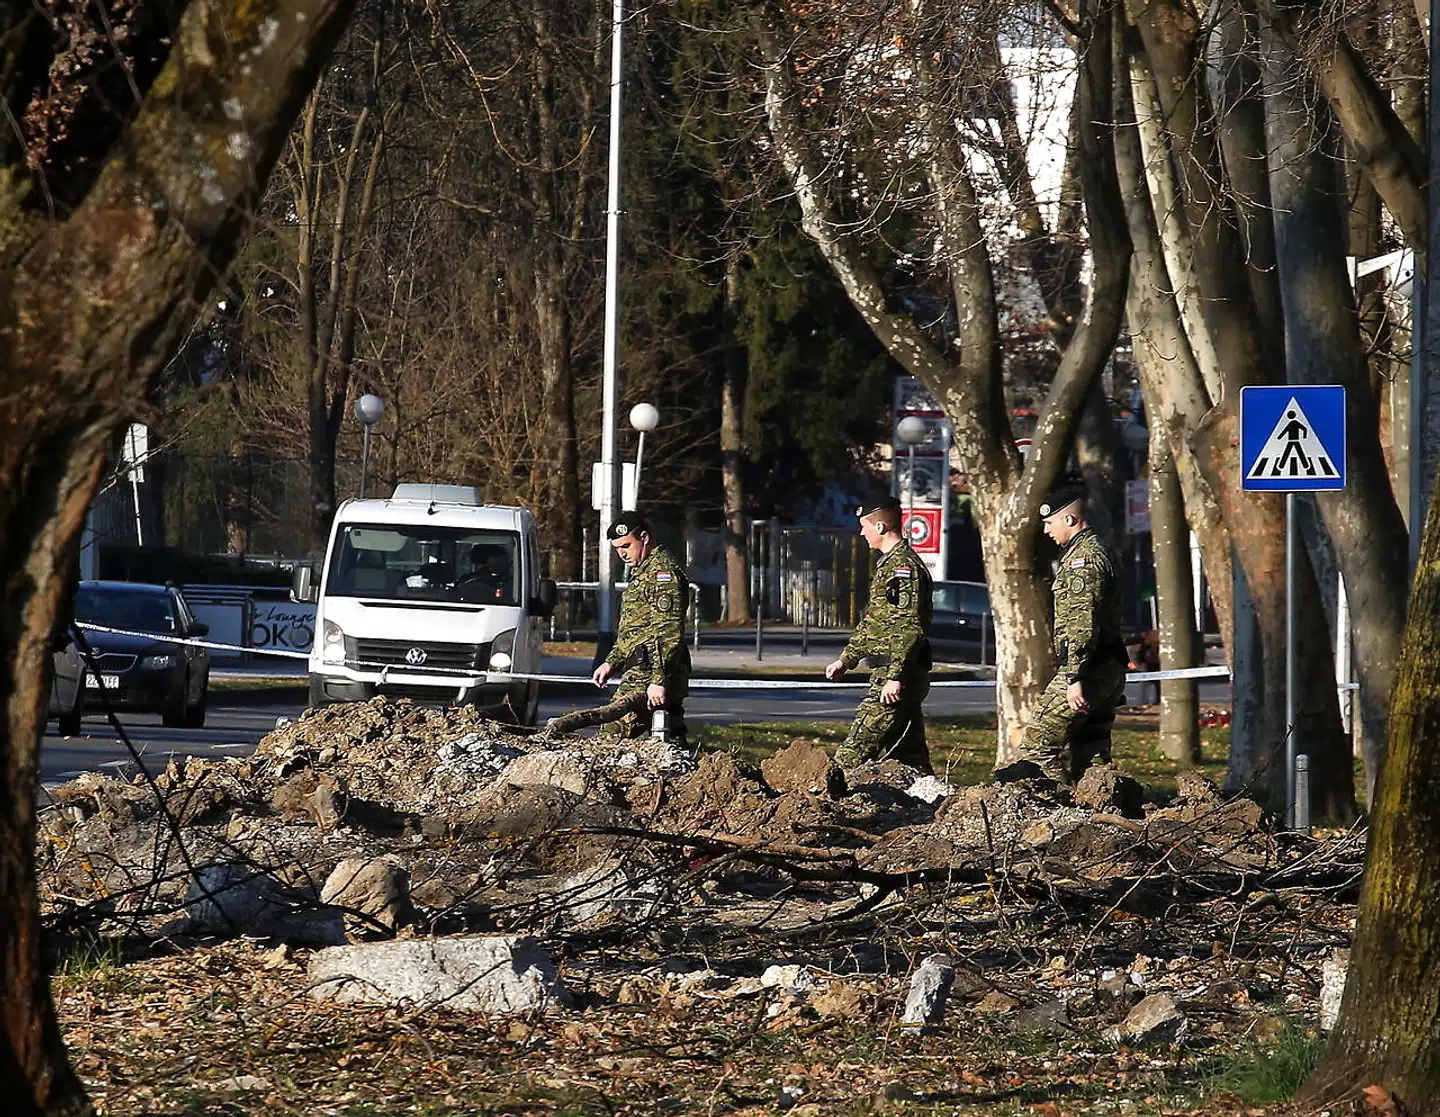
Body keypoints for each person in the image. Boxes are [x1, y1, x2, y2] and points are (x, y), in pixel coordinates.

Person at [1017, 477, 1129, 782]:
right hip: (1106, 667)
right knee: (1091, 751)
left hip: (1088, 671)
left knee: (1037, 748)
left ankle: (1055, 810)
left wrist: (1074, 676)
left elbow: (1082, 623)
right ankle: (1102, 809)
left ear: (1070, 519)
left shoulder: (1083, 560)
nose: (1045, 530)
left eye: (1050, 522)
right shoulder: (1099, 551)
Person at [825, 495, 934, 772]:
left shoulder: (903, 568)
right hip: (896, 673)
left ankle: (820, 799)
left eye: (865, 526)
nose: (862, 533)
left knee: (854, 751)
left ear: (881, 528)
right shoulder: (887, 566)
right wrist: (846, 660)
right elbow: (875, 621)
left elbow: (908, 626)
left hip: (895, 677)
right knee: (911, 760)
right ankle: (935, 806)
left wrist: (895, 677)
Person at [590, 513, 690, 747]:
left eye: (626, 546)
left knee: (611, 735)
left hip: (650, 670)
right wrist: (612, 661)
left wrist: (658, 680)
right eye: (617, 549)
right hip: (647, 666)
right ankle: (684, 779)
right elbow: (636, 628)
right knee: (670, 739)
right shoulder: (644, 571)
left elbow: (668, 631)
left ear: (644, 538)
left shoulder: (662, 574)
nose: (622, 553)